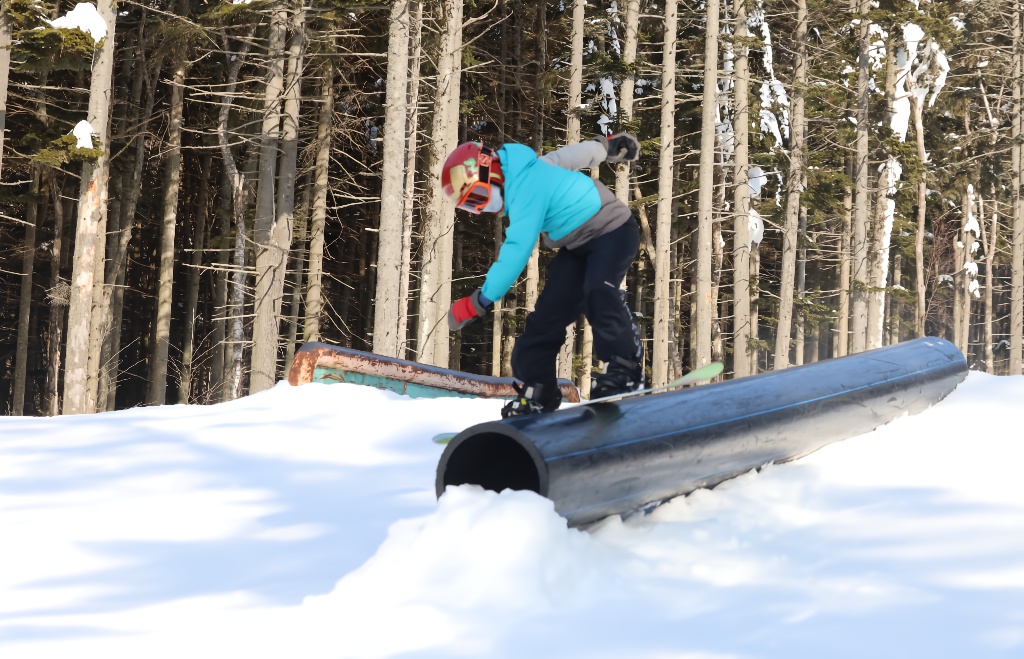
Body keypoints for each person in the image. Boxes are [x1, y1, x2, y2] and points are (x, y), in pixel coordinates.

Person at [442, 134, 645, 418]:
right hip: (576, 246)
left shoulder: (525, 190)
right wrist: (605, 147)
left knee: (599, 290)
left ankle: (626, 365)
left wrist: (481, 300)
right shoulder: (534, 167)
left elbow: (517, 249)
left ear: (493, 173)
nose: (486, 209)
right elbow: (573, 156)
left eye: (481, 197)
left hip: (613, 230)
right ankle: (539, 389)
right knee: (547, 315)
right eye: (474, 206)